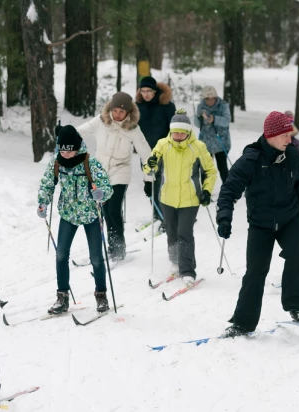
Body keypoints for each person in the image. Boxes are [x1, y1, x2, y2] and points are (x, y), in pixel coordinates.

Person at [216, 111, 299, 338]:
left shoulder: (294, 157)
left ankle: (296, 306)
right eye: (285, 136)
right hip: (261, 223)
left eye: (290, 135)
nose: (289, 140)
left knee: (296, 258)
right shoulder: (251, 160)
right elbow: (229, 190)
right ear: (271, 135)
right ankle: (242, 322)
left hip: (290, 219)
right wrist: (224, 217)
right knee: (255, 272)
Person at [37, 126, 113, 314]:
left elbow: (107, 187)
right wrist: (43, 203)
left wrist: (100, 193)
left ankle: (101, 295)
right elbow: (47, 184)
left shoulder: (90, 162)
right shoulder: (56, 162)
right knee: (61, 255)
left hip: (91, 214)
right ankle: (62, 297)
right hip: (68, 214)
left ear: (77, 147)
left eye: (69, 150)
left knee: (96, 258)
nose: (66, 154)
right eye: (62, 150)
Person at [76, 92, 154, 261]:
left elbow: (146, 155)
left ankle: (118, 248)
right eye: (116, 110)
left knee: (113, 210)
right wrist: (66, 135)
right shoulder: (101, 121)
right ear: (111, 109)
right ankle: (111, 247)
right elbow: (81, 131)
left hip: (121, 170)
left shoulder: (133, 128)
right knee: (104, 211)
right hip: (101, 173)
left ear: (128, 113)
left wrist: (149, 180)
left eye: (122, 112)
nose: (118, 115)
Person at [143, 109, 217, 282]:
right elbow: (148, 169)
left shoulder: (198, 147)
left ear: (188, 132)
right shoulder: (163, 144)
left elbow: (210, 171)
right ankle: (175, 262)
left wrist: (206, 190)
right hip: (167, 197)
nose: (177, 135)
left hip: (190, 199)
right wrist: (150, 164)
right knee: (171, 232)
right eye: (175, 132)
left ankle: (188, 271)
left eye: (181, 133)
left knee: (185, 233)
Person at [135, 76, 176, 228]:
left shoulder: (166, 105)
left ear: (155, 91)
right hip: (145, 151)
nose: (146, 94)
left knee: (162, 183)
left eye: (149, 91)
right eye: (143, 91)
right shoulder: (137, 106)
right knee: (150, 183)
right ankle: (157, 213)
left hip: (163, 151)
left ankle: (165, 216)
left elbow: (174, 128)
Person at [195, 85, 231, 184]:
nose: (210, 101)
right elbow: (197, 124)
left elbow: (227, 121)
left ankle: (228, 191)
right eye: (207, 98)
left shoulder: (223, 105)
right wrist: (198, 117)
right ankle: (205, 191)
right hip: (206, 142)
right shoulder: (200, 106)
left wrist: (215, 119)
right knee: (206, 168)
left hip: (221, 142)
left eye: (212, 98)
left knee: (222, 167)